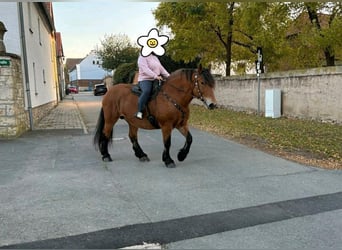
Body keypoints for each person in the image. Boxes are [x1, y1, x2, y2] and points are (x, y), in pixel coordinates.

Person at [135, 53, 170, 119]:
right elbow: (145, 69)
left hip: (156, 79)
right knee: (146, 91)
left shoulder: (154, 57)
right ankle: (139, 111)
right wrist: (155, 76)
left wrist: (169, 77)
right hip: (145, 79)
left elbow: (161, 68)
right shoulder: (142, 57)